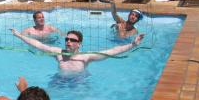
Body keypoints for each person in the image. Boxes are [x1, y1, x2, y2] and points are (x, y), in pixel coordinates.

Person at [12, 28, 144, 72]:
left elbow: (112, 51)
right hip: (59, 82)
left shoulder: (86, 57)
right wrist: (19, 35)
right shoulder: (58, 53)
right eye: (67, 39)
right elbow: (38, 45)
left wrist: (132, 44)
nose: (68, 42)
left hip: (79, 85)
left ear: (79, 44)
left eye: (73, 40)